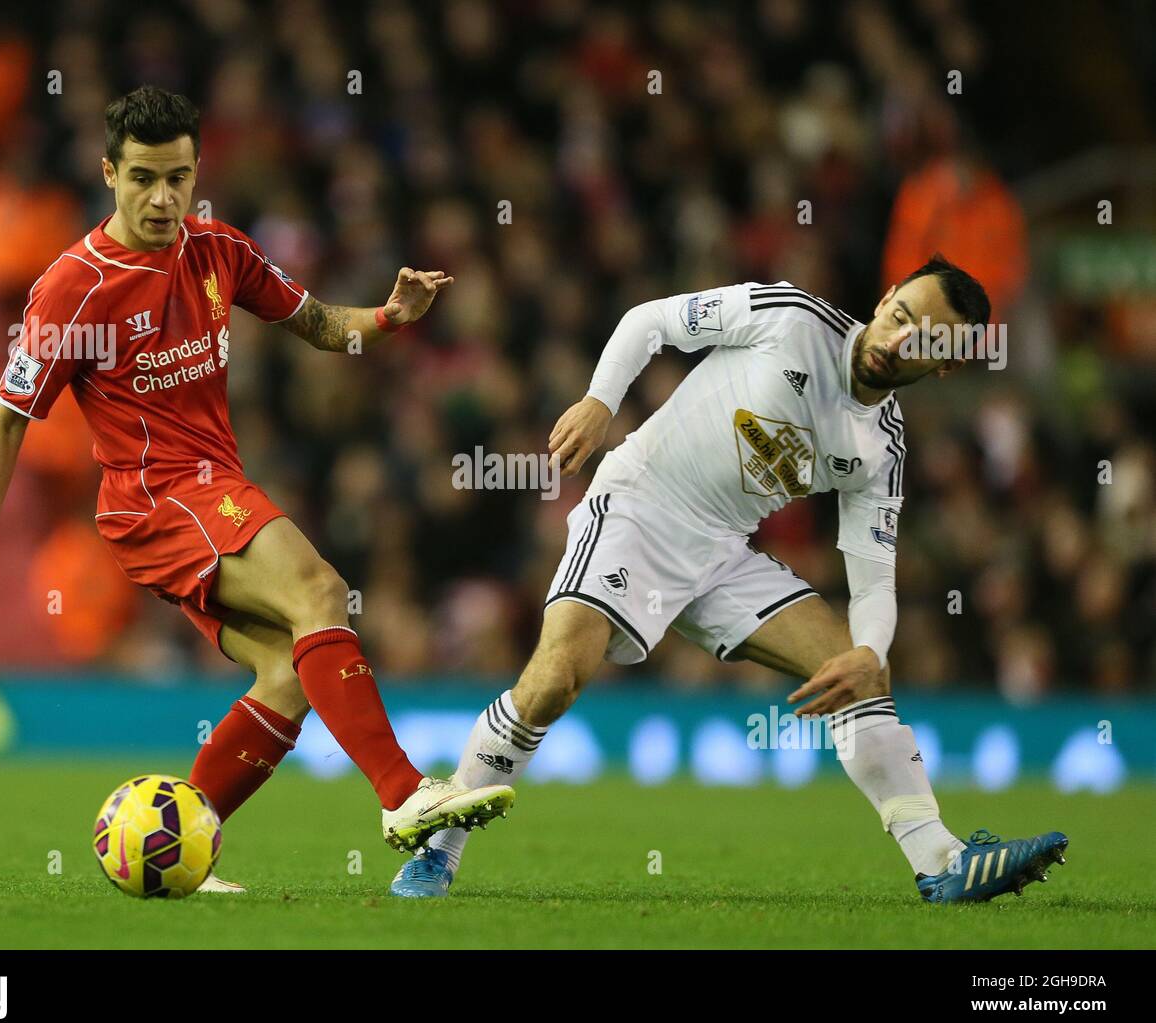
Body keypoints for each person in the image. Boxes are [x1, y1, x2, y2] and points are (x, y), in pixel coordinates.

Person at [0, 86, 513, 892]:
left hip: (209, 492)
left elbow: (316, 322)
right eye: (142, 177)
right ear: (108, 171)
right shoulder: (73, 288)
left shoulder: (217, 248)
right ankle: (403, 793)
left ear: (196, 170)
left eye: (177, 177)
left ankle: (173, 846)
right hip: (157, 502)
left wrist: (388, 315)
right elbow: (6, 420)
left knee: (288, 668)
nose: (161, 197)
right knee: (322, 587)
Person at [391, 257, 1065, 903]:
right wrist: (601, 401)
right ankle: (438, 847)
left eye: (926, 339)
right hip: (639, 505)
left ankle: (940, 859)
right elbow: (648, 320)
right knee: (556, 679)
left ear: (943, 366)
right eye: (903, 313)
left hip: (720, 552)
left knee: (859, 671)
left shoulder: (881, 445)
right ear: (887, 295)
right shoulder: (794, 317)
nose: (900, 338)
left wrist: (872, 649)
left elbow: (873, 576)